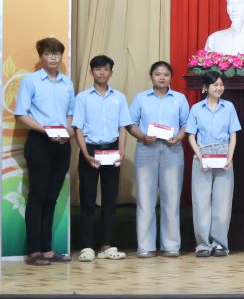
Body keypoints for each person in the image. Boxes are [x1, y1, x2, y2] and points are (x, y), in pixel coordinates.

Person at [14, 37, 76, 265]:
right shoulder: (30, 81)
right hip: (39, 142)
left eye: (57, 53)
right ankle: (33, 251)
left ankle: (47, 250)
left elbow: (71, 113)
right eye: (49, 53)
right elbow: (21, 114)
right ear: (41, 56)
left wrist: (67, 131)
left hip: (62, 143)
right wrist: (47, 131)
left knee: (51, 198)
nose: (53, 57)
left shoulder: (67, 83)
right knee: (38, 196)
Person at [72, 54, 134, 262]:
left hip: (112, 150)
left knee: (110, 200)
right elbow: (78, 128)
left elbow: (123, 127)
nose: (101, 72)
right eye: (97, 69)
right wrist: (86, 154)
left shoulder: (119, 97)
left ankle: (107, 245)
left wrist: (121, 151)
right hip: (90, 150)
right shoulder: (82, 98)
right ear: (91, 72)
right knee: (88, 200)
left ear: (111, 72)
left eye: (105, 69)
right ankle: (87, 246)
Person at [127, 61, 190, 258]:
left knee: (171, 198)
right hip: (146, 150)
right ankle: (146, 246)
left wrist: (178, 137)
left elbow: (186, 124)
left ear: (171, 77)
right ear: (151, 76)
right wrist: (142, 136)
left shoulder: (179, 99)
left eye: (166, 74)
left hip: (172, 151)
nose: (161, 77)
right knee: (145, 198)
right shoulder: (140, 98)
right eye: (157, 74)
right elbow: (130, 123)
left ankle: (170, 245)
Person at [185, 71, 241, 257]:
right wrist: (200, 157)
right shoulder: (196, 109)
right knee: (201, 202)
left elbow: (233, 134)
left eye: (221, 84)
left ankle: (220, 244)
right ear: (205, 87)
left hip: (223, 154)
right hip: (202, 154)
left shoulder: (229, 107)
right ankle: (203, 244)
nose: (219, 88)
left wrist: (229, 157)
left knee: (222, 202)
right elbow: (191, 136)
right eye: (215, 85)